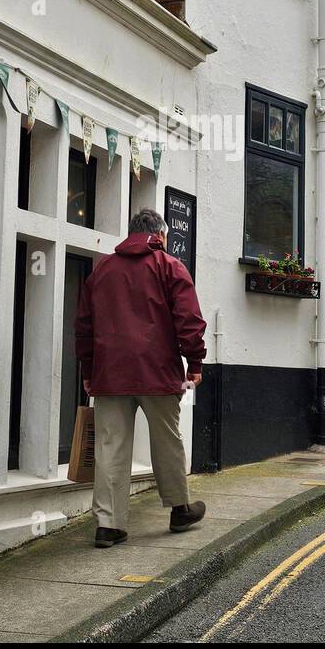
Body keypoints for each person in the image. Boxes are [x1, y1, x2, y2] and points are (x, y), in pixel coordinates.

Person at [75, 208, 207, 548]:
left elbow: (84, 326)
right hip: (157, 372)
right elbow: (189, 319)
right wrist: (195, 362)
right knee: (167, 440)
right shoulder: (170, 266)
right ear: (160, 235)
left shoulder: (102, 269)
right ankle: (180, 509)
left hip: (109, 373)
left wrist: (88, 371)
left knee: (110, 447)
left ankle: (109, 525)